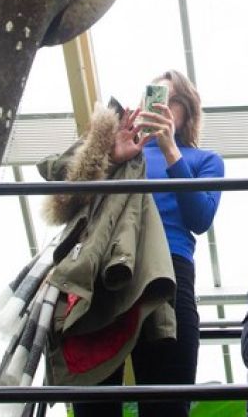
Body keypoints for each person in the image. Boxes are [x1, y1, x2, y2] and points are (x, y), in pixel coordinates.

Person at [76, 69, 225, 417]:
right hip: (106, 269)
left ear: (186, 110)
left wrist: (171, 151)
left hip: (169, 272)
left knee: (166, 402)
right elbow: (75, 205)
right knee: (93, 400)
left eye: (171, 100)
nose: (161, 106)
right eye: (154, 96)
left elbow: (200, 218)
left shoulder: (203, 160)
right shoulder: (122, 152)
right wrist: (110, 157)